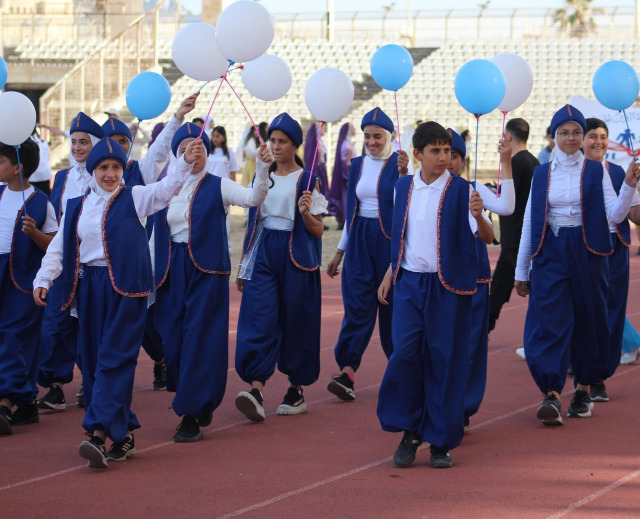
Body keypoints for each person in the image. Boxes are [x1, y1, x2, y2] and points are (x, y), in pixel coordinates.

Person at [33, 136, 191, 468]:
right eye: (103, 167)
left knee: (114, 359)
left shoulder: (136, 197)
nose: (110, 173)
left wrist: (184, 161)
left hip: (126, 291)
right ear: (92, 171)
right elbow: (60, 247)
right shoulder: (76, 205)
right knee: (90, 361)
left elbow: (167, 189)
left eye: (116, 167)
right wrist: (43, 279)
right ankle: (123, 433)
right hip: (88, 289)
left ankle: (96, 433)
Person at [376, 121, 494, 469]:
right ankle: (411, 430)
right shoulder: (402, 187)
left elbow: (486, 237)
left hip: (447, 287)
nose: (444, 157)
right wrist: (389, 275)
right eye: (436, 151)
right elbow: (402, 237)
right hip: (409, 284)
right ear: (417, 154)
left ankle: (441, 440)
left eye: (448, 151)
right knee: (406, 355)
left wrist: (480, 216)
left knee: (445, 359)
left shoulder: (463, 190)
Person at [514, 105, 639, 426]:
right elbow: (530, 220)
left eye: (576, 132)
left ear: (582, 137)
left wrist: (628, 185)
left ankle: (583, 388)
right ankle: (551, 392)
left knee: (589, 319)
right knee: (547, 320)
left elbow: (616, 215)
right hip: (551, 251)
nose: (571, 138)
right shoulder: (542, 173)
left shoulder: (597, 171)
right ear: (554, 137)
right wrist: (521, 270)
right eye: (564, 132)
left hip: (588, 250)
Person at [152, 123, 270, 442]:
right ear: (177, 155)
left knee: (200, 339)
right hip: (171, 269)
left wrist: (261, 167)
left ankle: (191, 412)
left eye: (200, 147)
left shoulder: (219, 184)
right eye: (187, 148)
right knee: (173, 338)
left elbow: (254, 197)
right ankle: (194, 397)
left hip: (206, 271)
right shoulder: (166, 187)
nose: (194, 153)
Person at [102, 94, 198, 392]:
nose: (117, 146)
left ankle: (158, 360)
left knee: (144, 320)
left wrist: (177, 118)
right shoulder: (82, 180)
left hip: (133, 262)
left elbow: (158, 153)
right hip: (96, 267)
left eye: (122, 140)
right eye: (110, 140)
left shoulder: (134, 173)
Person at [234, 113, 327, 422]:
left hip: (296, 253)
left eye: (282, 141)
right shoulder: (263, 176)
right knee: (258, 315)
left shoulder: (308, 179)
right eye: (272, 140)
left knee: (297, 320)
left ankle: (296, 389)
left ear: (295, 145)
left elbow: (318, 231)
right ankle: (256, 388)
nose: (275, 146)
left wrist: (305, 213)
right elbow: (253, 223)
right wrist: (244, 264)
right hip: (263, 252)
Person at [325, 108, 401, 402]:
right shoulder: (356, 164)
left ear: (389, 136)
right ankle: (347, 372)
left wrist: (406, 174)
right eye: (367, 136)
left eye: (377, 136)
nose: (371, 142)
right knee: (357, 305)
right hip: (358, 240)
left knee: (391, 308)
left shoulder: (401, 165)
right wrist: (339, 251)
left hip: (389, 241)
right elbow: (353, 210)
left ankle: (400, 371)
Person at [445, 129, 515, 431]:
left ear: (463, 160)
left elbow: (507, 208)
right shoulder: (418, 189)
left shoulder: (474, 189)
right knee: (438, 344)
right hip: (436, 280)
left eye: (454, 155)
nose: (447, 161)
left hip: (474, 280)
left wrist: (505, 161)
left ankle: (462, 406)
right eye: (440, 152)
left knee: (471, 345)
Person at [37, 112, 105, 412]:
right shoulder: (62, 177)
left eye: (84, 142)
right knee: (54, 326)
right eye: (74, 142)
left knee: (91, 328)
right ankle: (55, 385)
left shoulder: (107, 176)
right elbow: (57, 219)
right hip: (66, 262)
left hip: (94, 265)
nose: (78, 148)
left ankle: (92, 384)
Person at [0, 139, 57, 435]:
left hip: (21, 279)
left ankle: (4, 402)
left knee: (15, 337)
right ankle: (25, 403)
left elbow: (55, 245)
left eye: (0, 162)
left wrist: (34, 233)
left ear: (18, 168)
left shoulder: (40, 201)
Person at [582, 118, 640, 401]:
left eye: (603, 136)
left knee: (612, 313)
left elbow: (635, 215)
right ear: (581, 140)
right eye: (592, 136)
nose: (599, 141)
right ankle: (584, 369)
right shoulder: (570, 173)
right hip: (581, 249)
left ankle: (599, 375)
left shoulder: (619, 172)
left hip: (615, 249)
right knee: (584, 312)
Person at [489, 118, 539, 332]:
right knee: (499, 288)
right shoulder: (535, 161)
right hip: (522, 236)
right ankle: (481, 329)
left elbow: (509, 199)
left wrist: (492, 193)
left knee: (535, 288)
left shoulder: (517, 163)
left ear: (509, 136)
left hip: (515, 237)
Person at [327, 122, 355, 230]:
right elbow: (344, 162)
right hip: (345, 176)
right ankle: (342, 219)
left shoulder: (349, 143)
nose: (354, 129)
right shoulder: (345, 144)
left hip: (350, 173)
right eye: (352, 127)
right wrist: (347, 175)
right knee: (344, 198)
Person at [304, 122, 329, 196]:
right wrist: (316, 176)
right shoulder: (315, 145)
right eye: (322, 128)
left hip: (322, 170)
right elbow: (312, 162)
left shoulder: (321, 143)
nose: (324, 129)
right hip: (318, 170)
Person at [29, 128, 52, 196]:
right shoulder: (43, 142)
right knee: (45, 197)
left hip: (33, 175)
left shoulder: (27, 142)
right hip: (45, 173)